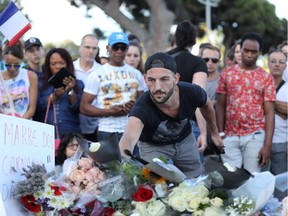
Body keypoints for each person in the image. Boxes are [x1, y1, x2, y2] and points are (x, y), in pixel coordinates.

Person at [119, 52, 223, 178]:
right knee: (154, 184)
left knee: (195, 180)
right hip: (153, 146)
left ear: (176, 78)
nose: (158, 87)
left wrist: (214, 133)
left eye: (164, 79)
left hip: (184, 140)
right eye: (151, 80)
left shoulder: (192, 92)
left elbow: (206, 105)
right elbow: (129, 137)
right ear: (145, 79)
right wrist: (123, 160)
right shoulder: (142, 107)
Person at [216, 32, 276, 173]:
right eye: (246, 50)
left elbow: (270, 112)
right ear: (240, 49)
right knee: (231, 178)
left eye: (253, 52)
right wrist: (221, 134)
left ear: (260, 53)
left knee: (252, 179)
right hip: (230, 136)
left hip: (255, 136)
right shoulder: (227, 73)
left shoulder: (266, 77)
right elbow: (220, 105)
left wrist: (267, 145)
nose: (249, 55)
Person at [80, 32, 145, 150]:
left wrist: (133, 107)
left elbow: (144, 103)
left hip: (132, 131)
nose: (119, 51)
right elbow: (84, 107)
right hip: (107, 131)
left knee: (133, 167)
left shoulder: (136, 74)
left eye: (123, 47)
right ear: (107, 48)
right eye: (115, 47)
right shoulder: (97, 74)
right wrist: (110, 111)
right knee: (110, 168)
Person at [167, 20, 208, 156]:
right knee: (192, 174)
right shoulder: (197, 63)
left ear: (175, 38)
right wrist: (203, 132)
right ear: (194, 41)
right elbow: (199, 99)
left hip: (161, 123)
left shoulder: (161, 60)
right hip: (189, 126)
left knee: (161, 174)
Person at [38, 48, 84, 137]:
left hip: (71, 134)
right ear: (48, 65)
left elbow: (79, 108)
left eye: (61, 63)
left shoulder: (78, 84)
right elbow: (37, 107)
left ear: (68, 64)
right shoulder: (41, 84)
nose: (58, 67)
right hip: (46, 135)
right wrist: (54, 96)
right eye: (53, 64)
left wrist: (71, 90)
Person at [267, 49, 288, 201]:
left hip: (280, 141)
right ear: (267, 63)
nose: (277, 65)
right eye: (273, 61)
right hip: (259, 141)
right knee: (261, 183)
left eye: (281, 62)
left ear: (285, 66)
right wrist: (280, 108)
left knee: (280, 186)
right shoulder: (260, 82)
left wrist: (267, 103)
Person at [74, 34, 101, 142]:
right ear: (80, 48)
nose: (90, 51)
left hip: (96, 126)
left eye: (94, 48)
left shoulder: (102, 71)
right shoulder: (71, 68)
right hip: (74, 124)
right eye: (87, 47)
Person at [0, 40, 38, 119]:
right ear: (4, 60)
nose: (12, 69)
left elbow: (31, 109)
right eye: (8, 65)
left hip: (24, 126)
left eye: (17, 65)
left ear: (21, 61)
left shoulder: (30, 76)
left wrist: (18, 124)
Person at [24, 37, 45, 121]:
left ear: (43, 51)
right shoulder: (23, 75)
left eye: (38, 49)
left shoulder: (50, 73)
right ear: (25, 54)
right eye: (31, 51)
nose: (36, 53)